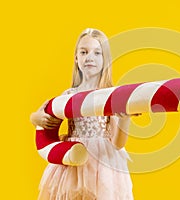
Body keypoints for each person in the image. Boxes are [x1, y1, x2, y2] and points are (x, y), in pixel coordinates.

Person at [30, 28, 136, 199]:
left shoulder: (110, 96)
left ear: (105, 59)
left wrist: (125, 119)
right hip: (72, 158)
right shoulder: (68, 95)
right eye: (84, 52)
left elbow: (118, 143)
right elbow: (46, 117)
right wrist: (34, 118)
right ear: (76, 57)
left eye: (97, 53)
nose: (89, 57)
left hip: (103, 163)